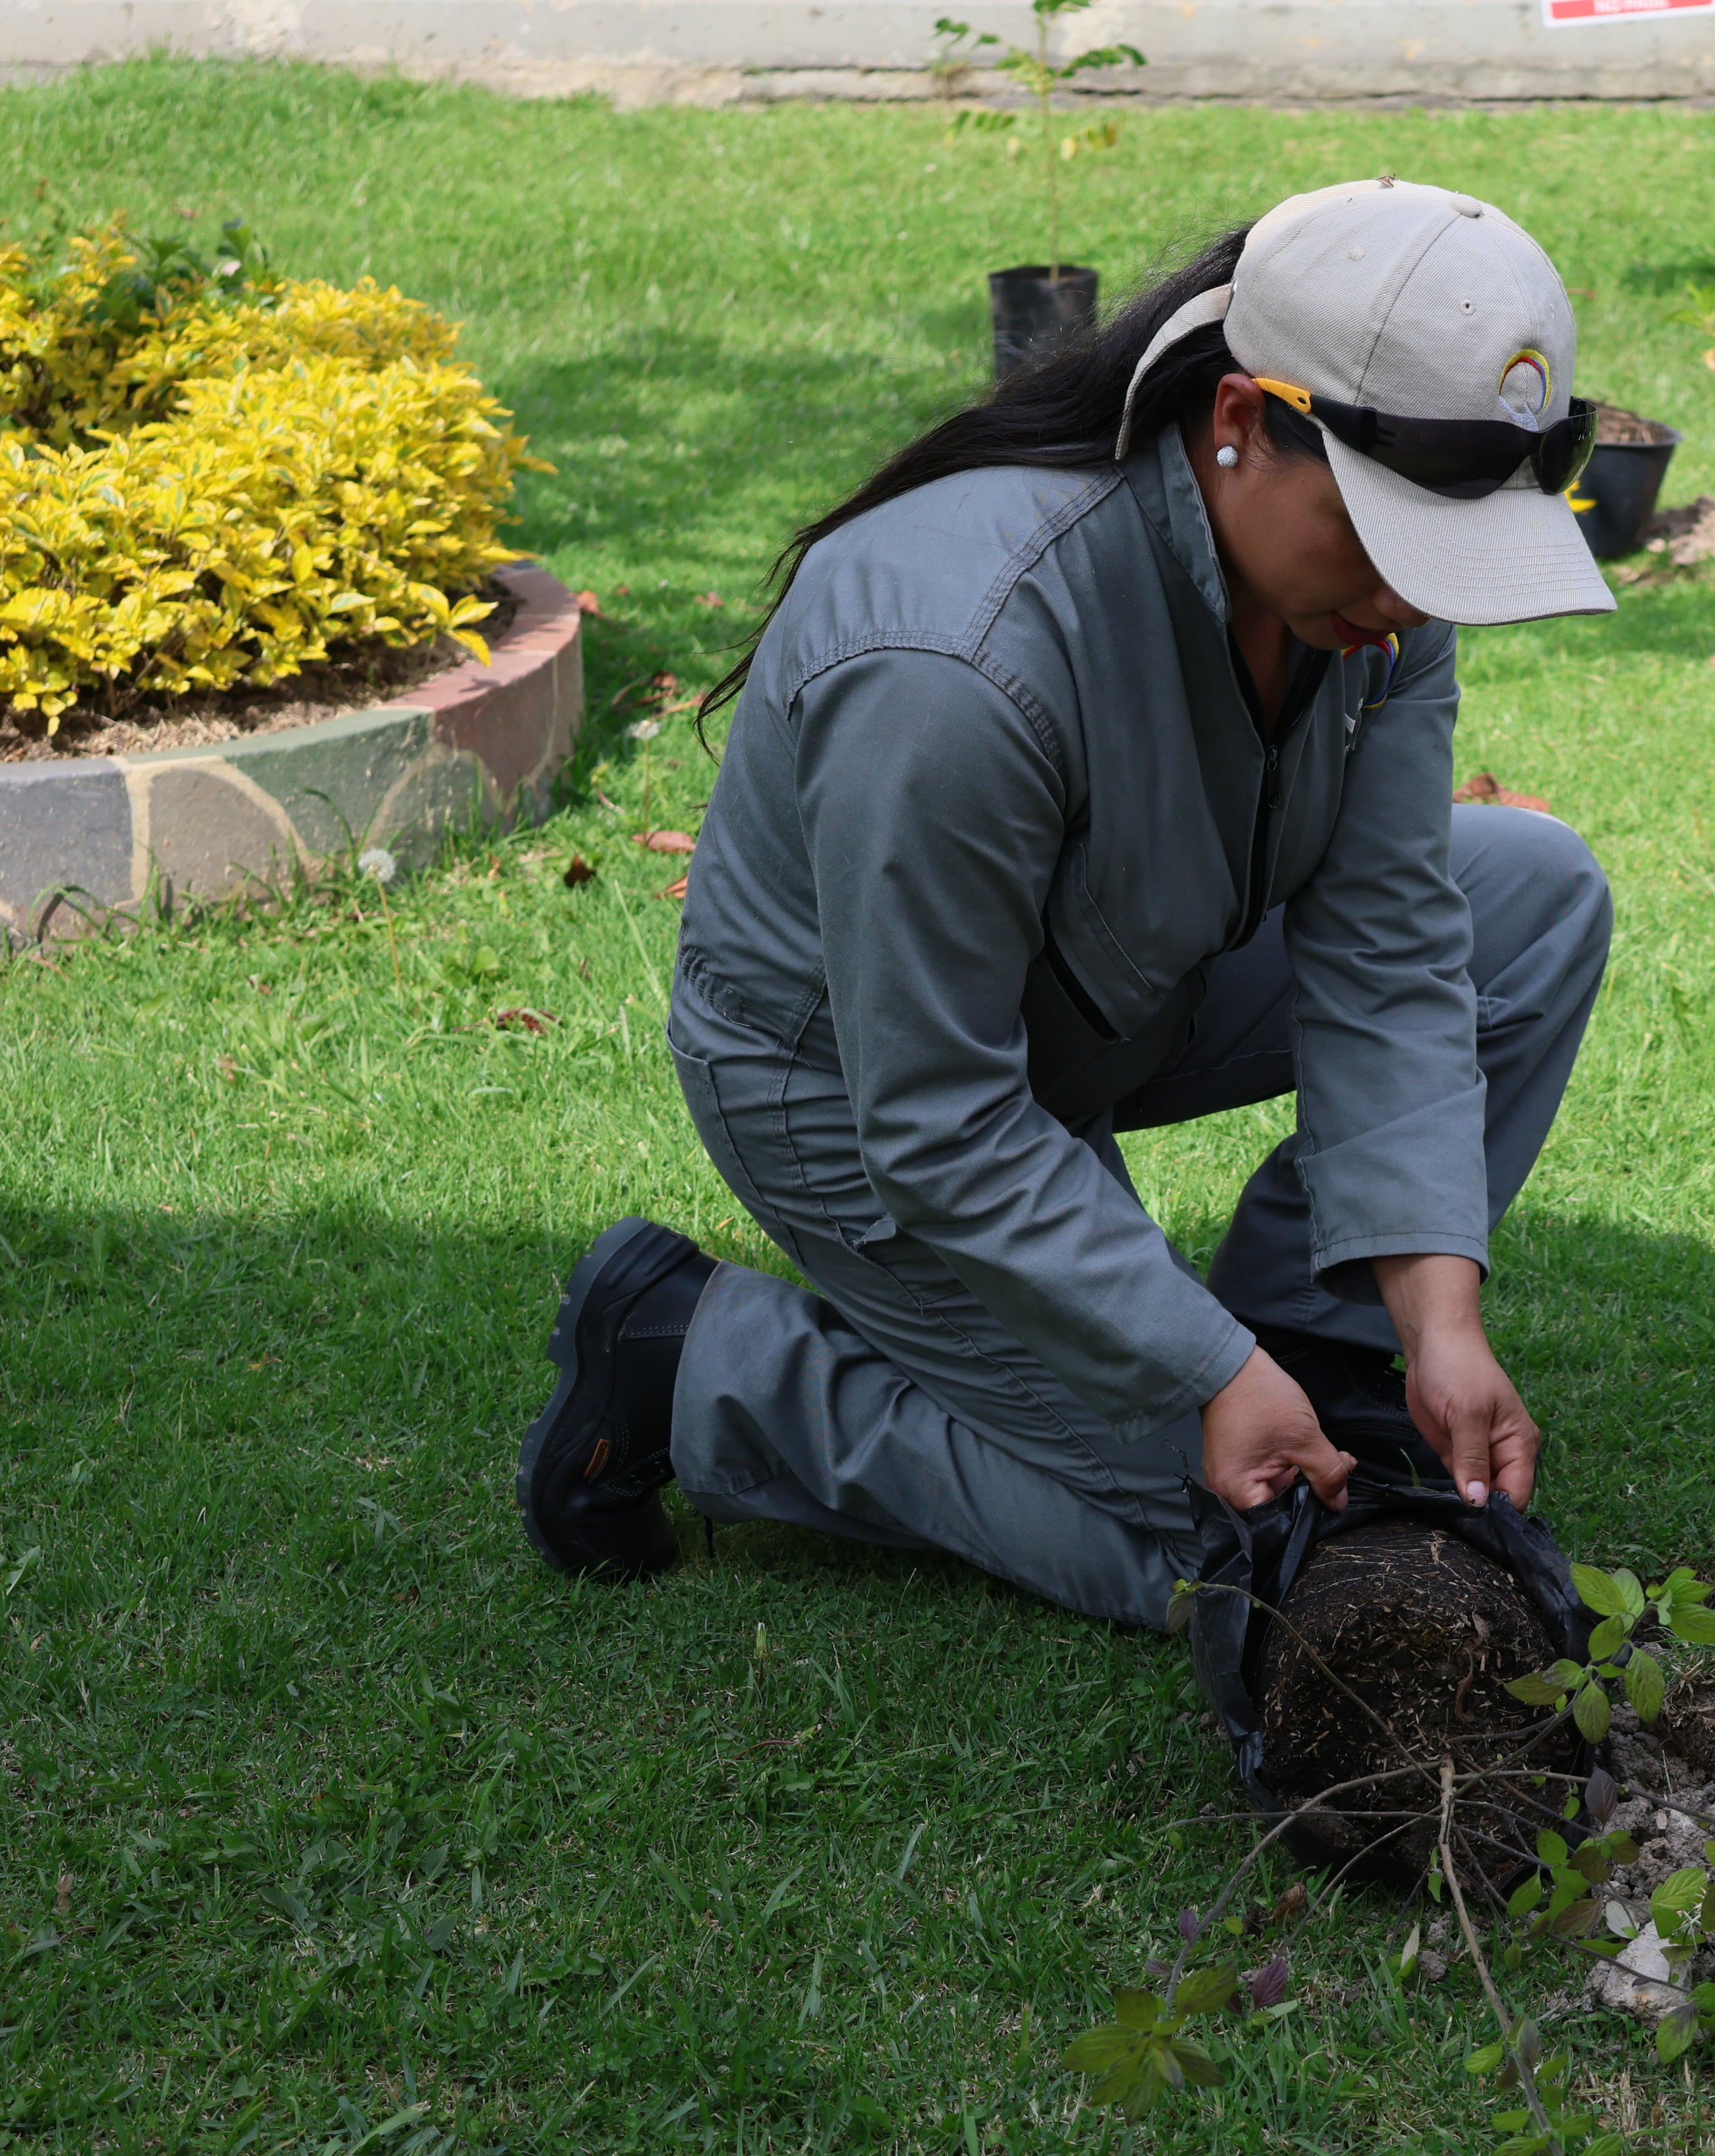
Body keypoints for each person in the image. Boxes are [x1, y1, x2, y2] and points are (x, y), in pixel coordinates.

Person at [510, 179, 1617, 1631]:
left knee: (1529, 895)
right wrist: (1201, 1376)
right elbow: (939, 1113)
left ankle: (1319, 1349)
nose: (1413, 605)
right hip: (857, 1093)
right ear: (1236, 424)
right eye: (1390, 541)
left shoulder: (1368, 597)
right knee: (1243, 1548)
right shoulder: (952, 659)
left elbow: (1392, 946)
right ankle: (697, 1357)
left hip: (1117, 986)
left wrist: (1437, 1309)